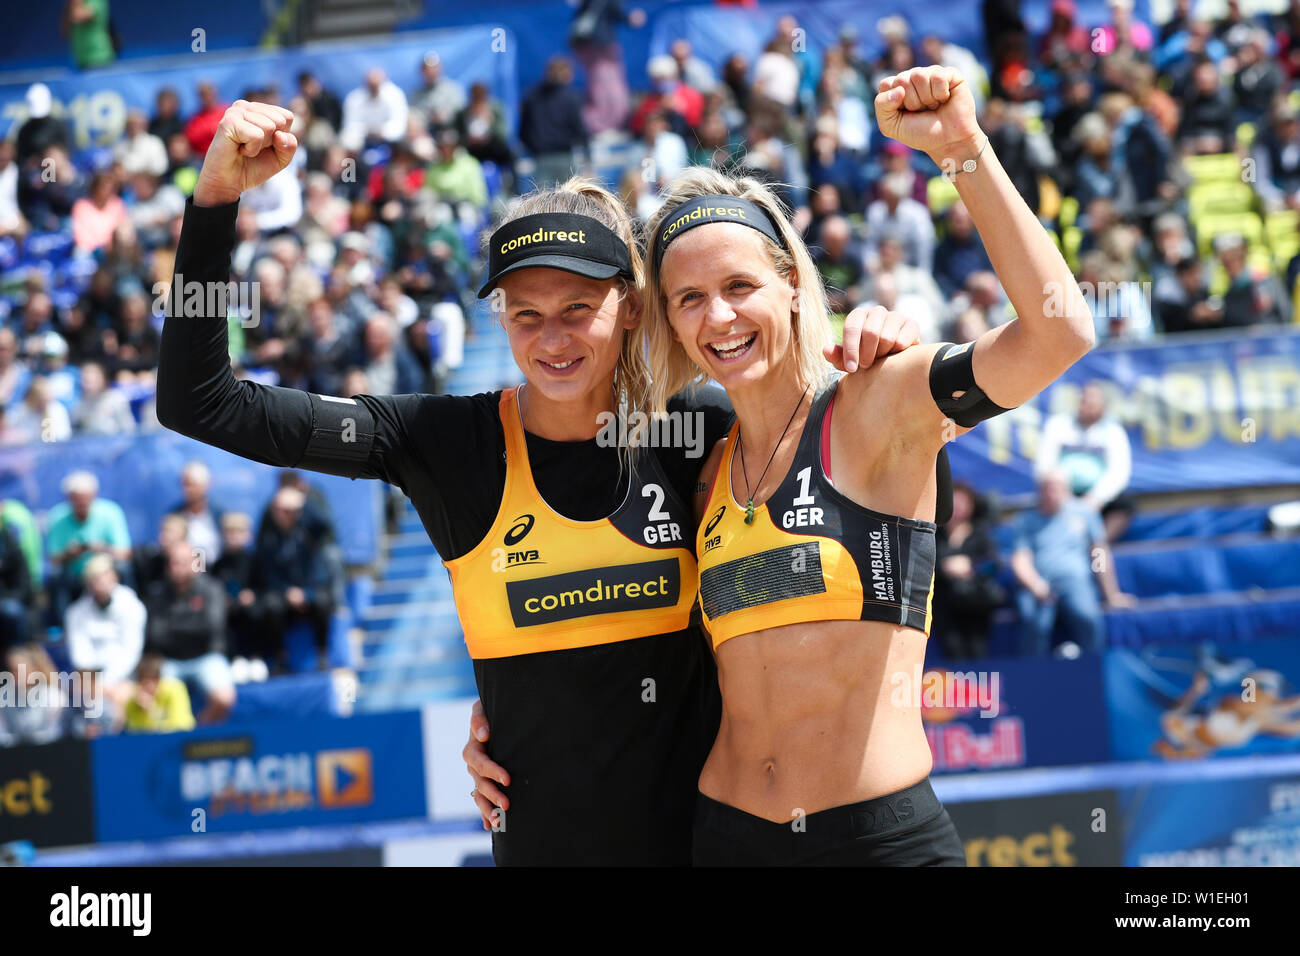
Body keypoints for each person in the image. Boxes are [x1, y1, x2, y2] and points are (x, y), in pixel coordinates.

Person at [157, 99, 917, 865]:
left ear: (629, 306)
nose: (552, 339)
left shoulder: (696, 432)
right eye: (526, 315)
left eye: (578, 308)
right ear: (499, 320)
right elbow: (202, 402)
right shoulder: (442, 442)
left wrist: (886, 339)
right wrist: (217, 196)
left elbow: (840, 491)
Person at [628, 65, 1102, 866]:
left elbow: (1060, 335)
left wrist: (960, 149)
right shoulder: (699, 461)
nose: (719, 317)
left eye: (740, 285)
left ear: (789, 284)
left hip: (877, 842)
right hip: (726, 838)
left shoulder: (874, 401)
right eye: (689, 299)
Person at [1011, 469, 1135, 656]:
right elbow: (1020, 560)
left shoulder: (1085, 514)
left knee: (1088, 617)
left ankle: (1093, 669)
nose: (1053, 494)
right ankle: (1034, 677)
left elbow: (1099, 553)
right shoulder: (1025, 520)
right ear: (1039, 490)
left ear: (1067, 489)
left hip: (1075, 583)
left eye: (1058, 488)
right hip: (1038, 585)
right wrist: (1035, 585)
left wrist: (1111, 594)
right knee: (1035, 623)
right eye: (1048, 488)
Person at [143, 538, 234, 723]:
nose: (178, 568)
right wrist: (191, 625)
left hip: (206, 656)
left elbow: (211, 627)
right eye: (174, 563)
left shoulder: (212, 589)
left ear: (195, 564)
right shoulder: (158, 593)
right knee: (154, 701)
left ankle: (197, 735)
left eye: (183, 562)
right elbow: (155, 635)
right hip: (171, 661)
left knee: (224, 699)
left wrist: (175, 627)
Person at [1035, 383, 1134, 542]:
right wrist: (1060, 493)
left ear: (1102, 407)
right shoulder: (1058, 425)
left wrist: (1096, 499)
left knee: (1124, 506)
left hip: (1098, 499)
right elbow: (1044, 464)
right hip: (1063, 493)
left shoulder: (1114, 432)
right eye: (1084, 402)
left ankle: (1098, 544)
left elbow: (1119, 473)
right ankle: (1065, 545)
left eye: (1093, 404)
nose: (1087, 407)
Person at [64, 553, 145, 713]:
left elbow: (131, 652)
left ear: (114, 577)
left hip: (125, 676)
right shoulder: (75, 613)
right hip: (89, 678)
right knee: (78, 693)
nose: (100, 582)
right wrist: (95, 683)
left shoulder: (132, 606)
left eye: (104, 575)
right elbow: (80, 655)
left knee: (121, 697)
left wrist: (107, 683)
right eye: (95, 578)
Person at [932, 481, 1003, 660]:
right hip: (944, 606)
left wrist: (971, 567)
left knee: (977, 653)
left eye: (963, 503)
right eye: (954, 502)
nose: (958, 508)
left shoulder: (980, 533)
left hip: (976, 605)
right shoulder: (934, 535)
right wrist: (944, 568)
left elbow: (995, 564)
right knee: (953, 652)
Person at [123, 651, 196, 733]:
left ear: (157, 680)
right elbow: (135, 732)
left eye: (147, 682)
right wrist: (146, 712)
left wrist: (153, 712)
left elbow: (182, 726)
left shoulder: (175, 689)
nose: (143, 687)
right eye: (140, 682)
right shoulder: (134, 698)